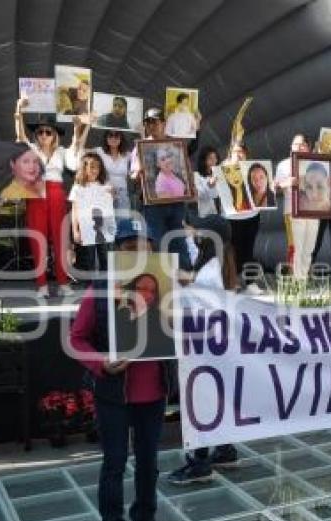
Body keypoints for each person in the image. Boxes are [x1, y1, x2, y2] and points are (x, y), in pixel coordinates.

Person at [69, 222, 171, 521]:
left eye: (145, 247)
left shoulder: (166, 290)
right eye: (130, 247)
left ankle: (145, 519)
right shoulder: (99, 290)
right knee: (114, 464)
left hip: (153, 393)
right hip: (114, 393)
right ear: (118, 252)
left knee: (149, 462)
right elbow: (76, 339)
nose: (139, 254)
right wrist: (101, 364)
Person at [168, 214, 241, 484]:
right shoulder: (220, 263)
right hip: (217, 344)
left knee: (200, 401)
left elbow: (195, 294)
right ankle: (225, 450)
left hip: (204, 346)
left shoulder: (210, 269)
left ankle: (199, 462)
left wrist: (174, 281)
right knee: (216, 398)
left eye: (199, 232)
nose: (193, 235)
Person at [14, 96, 80, 298]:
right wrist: (18, 112)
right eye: (40, 131)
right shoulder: (32, 149)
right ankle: (41, 284)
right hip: (35, 194)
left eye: (48, 132)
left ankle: (62, 282)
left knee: (60, 239)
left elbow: (74, 164)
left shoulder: (62, 151)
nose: (43, 135)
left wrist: (77, 130)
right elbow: (20, 138)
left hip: (56, 193)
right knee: (38, 239)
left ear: (54, 135)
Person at [130, 108, 191, 270]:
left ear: (163, 123)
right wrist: (138, 172)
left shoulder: (176, 144)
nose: (151, 125)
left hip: (176, 204)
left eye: (154, 121)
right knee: (157, 242)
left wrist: (191, 187)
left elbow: (186, 170)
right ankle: (161, 280)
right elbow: (133, 176)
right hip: (153, 206)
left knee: (178, 240)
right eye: (148, 123)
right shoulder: (139, 148)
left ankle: (184, 277)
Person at [274, 133, 317, 277]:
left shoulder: (316, 164)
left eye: (302, 144)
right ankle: (296, 282)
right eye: (295, 144)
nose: (298, 147)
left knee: (309, 247)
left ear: (308, 148)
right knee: (296, 247)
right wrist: (288, 183)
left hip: (313, 211)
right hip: (292, 210)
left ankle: (303, 279)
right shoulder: (284, 164)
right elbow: (275, 187)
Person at [222, 146, 260, 284]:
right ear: (230, 153)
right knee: (233, 249)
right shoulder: (223, 169)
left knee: (249, 249)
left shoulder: (254, 168)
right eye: (236, 152)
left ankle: (250, 282)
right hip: (232, 217)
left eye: (242, 152)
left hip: (252, 216)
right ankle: (233, 280)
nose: (239, 155)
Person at [69, 153, 114, 273]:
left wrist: (112, 195)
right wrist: (75, 230)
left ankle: (105, 284)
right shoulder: (78, 187)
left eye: (98, 167)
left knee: (105, 257)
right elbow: (75, 210)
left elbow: (109, 208)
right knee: (89, 259)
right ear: (84, 168)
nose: (95, 170)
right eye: (92, 167)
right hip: (86, 229)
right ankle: (91, 286)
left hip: (103, 228)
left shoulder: (105, 186)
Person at [193, 146, 220, 217]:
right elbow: (199, 195)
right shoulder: (196, 175)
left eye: (215, 158)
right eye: (210, 158)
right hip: (203, 215)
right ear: (203, 160)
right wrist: (210, 186)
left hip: (216, 213)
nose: (214, 161)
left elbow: (216, 195)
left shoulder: (218, 174)